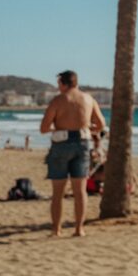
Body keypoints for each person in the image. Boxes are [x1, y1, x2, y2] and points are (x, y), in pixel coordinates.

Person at [40, 70, 106, 238]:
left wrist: (58, 127)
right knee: (80, 190)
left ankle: (56, 229)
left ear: (63, 84)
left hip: (61, 144)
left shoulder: (58, 100)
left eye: (59, 84)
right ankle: (79, 229)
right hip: (82, 143)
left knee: (58, 191)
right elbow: (101, 124)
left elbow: (44, 128)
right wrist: (89, 128)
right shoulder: (88, 99)